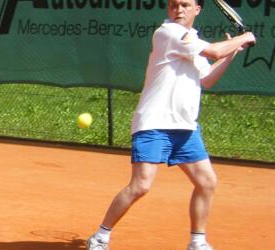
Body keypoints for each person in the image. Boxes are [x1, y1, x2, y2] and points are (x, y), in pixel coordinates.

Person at [86, 0, 256, 249]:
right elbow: (215, 51)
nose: (179, 10)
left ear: (197, 10)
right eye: (174, 5)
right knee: (141, 185)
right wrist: (243, 38)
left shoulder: (192, 39)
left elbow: (207, 79)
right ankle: (100, 236)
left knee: (207, 182)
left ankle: (197, 241)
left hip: (185, 128)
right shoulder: (168, 33)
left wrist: (231, 51)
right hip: (154, 122)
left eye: (185, 5)